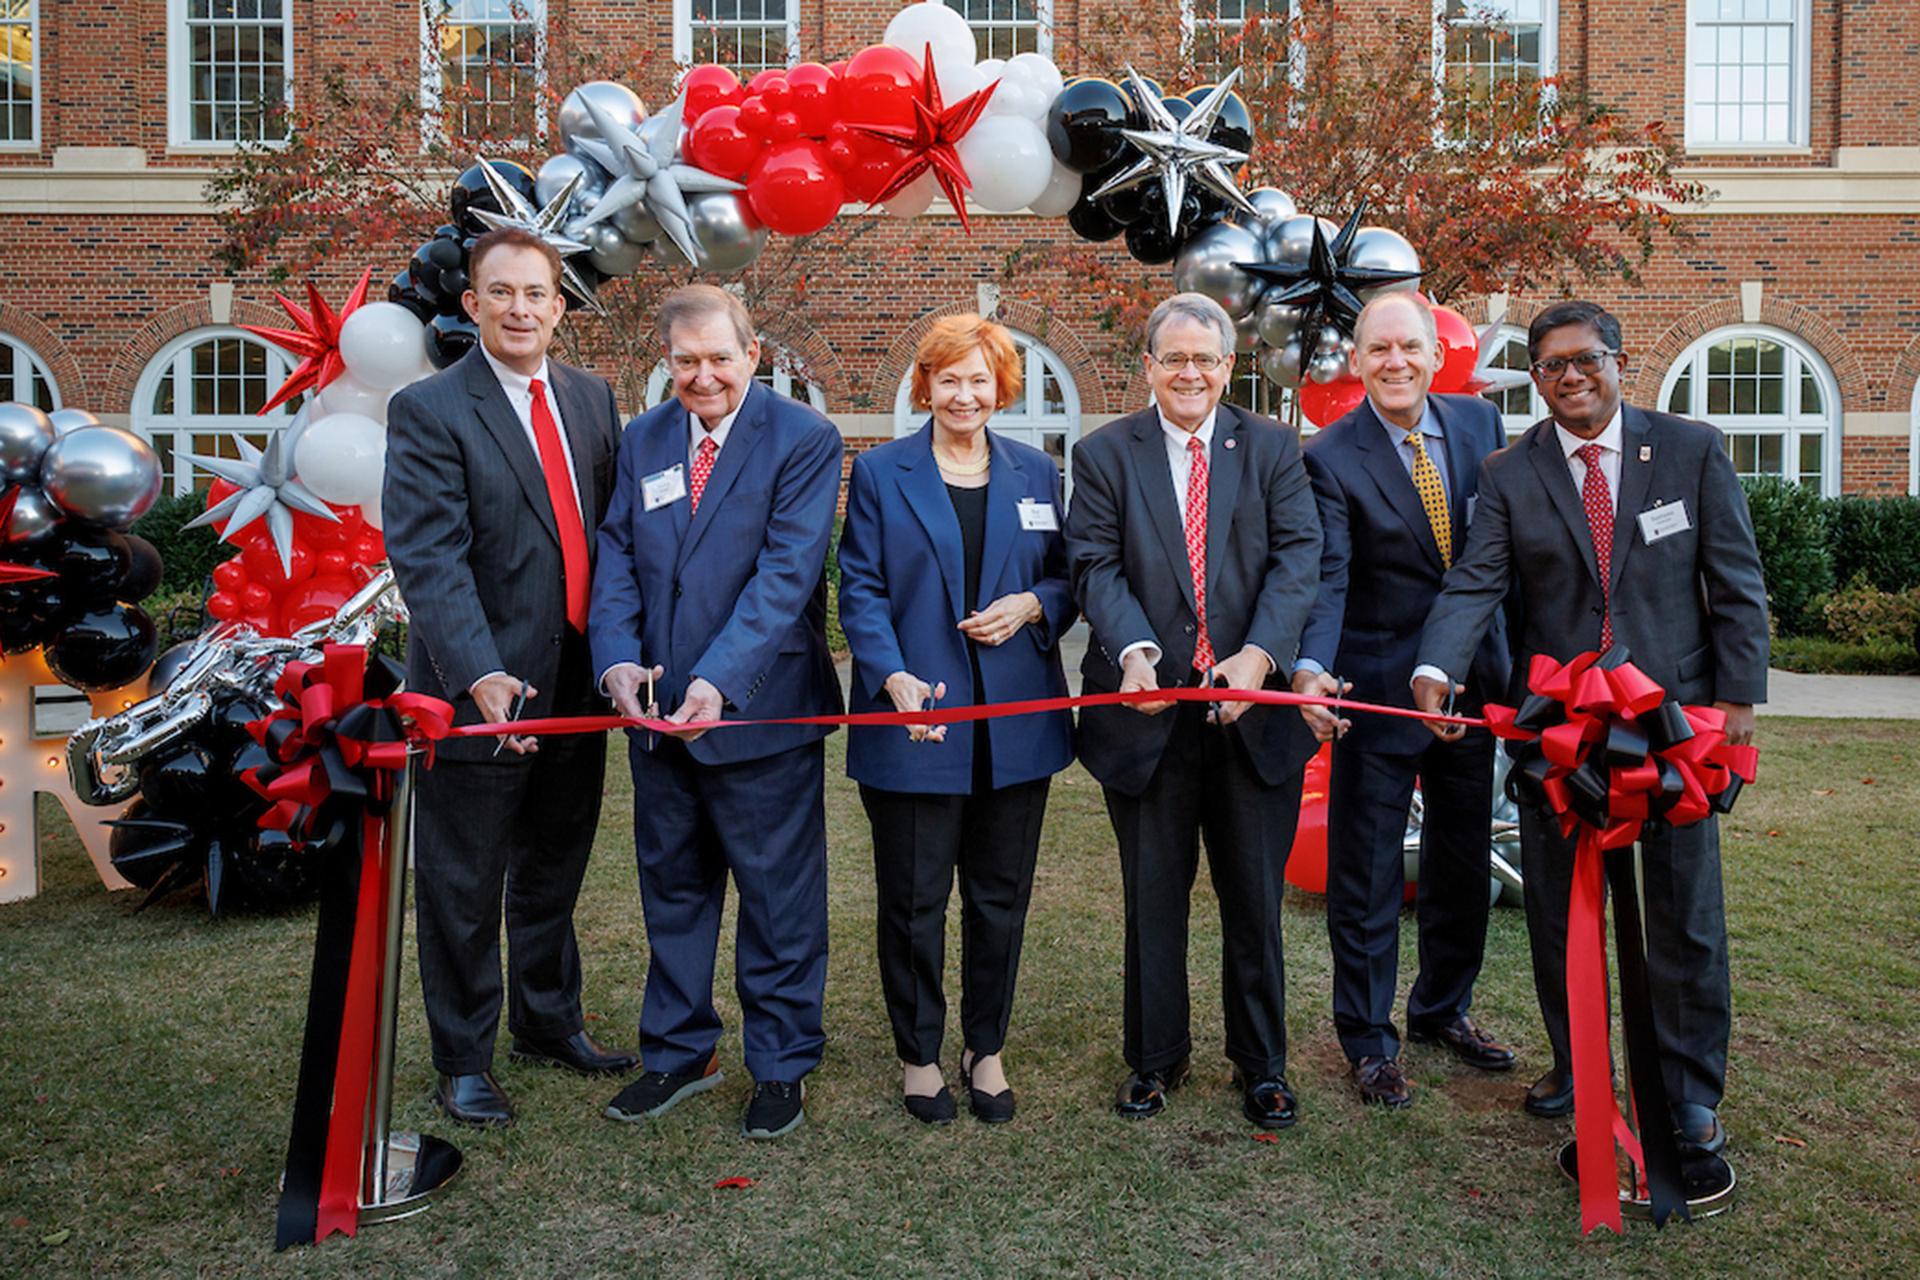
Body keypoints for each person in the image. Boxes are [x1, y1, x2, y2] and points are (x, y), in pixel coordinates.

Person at [1412, 300, 1767, 1187]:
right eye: (1551, 366)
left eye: (1586, 359)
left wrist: (1739, 704)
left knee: (1684, 910)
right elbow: (1474, 583)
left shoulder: (1688, 448)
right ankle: (1581, 1066)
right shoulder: (1508, 470)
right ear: (1535, 379)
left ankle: (1688, 1092)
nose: (1570, 376)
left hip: (1673, 728)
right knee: (1560, 912)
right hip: (1561, 733)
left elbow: (1735, 579)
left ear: (1618, 361)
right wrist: (1435, 670)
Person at [383, 227, 635, 1128]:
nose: (521, 309)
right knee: (463, 878)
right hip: (480, 690)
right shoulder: (430, 409)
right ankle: (463, 1055)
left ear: (560, 308)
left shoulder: (592, 398)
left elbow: (611, 540)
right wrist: (479, 673)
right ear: (473, 304)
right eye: (503, 293)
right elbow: (429, 557)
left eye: (538, 294)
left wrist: (618, 654)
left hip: (577, 682)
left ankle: (547, 1020)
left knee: (553, 867)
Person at [589, 284, 844, 1141]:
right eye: (686, 361)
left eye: (720, 359)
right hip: (657, 720)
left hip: (759, 713)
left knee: (778, 901)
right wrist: (617, 661)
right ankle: (677, 1049)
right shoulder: (645, 437)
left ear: (754, 351)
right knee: (674, 890)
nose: (704, 378)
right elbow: (617, 553)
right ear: (668, 361)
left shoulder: (803, 438)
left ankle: (780, 1064)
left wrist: (720, 683)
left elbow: (786, 573)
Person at [1064, 292, 1322, 1129]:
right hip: (1146, 718)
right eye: (1172, 359)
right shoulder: (1104, 454)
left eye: (1204, 360)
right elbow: (1094, 565)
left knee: (1254, 900)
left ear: (1225, 367)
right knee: (1153, 899)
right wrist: (1134, 647)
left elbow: (1298, 558)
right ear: (1149, 367)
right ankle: (1155, 1059)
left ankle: (1262, 1066)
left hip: (1253, 715)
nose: (1189, 373)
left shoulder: (1275, 448)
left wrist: (1262, 656)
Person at [837, 314, 1077, 1126]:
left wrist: (1032, 604)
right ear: (926, 386)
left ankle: (987, 1045)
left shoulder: (1037, 473)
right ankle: (919, 1054)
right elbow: (860, 587)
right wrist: (890, 674)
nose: (964, 394)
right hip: (914, 721)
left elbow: (1067, 580)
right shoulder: (879, 473)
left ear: (1000, 386)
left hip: (1015, 723)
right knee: (912, 899)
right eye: (949, 379)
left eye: (980, 379)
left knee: (999, 897)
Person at [1293, 293, 1516, 1110]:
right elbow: (1330, 578)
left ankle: (1442, 1010)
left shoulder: (1480, 428)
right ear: (1357, 361)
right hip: (1380, 694)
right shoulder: (1330, 456)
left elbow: (1499, 558)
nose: (1395, 362)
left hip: (1470, 692)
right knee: (1368, 874)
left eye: (1410, 348)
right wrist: (1313, 666)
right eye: (1378, 349)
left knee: (1462, 865)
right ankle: (1367, 1040)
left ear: (1434, 355)